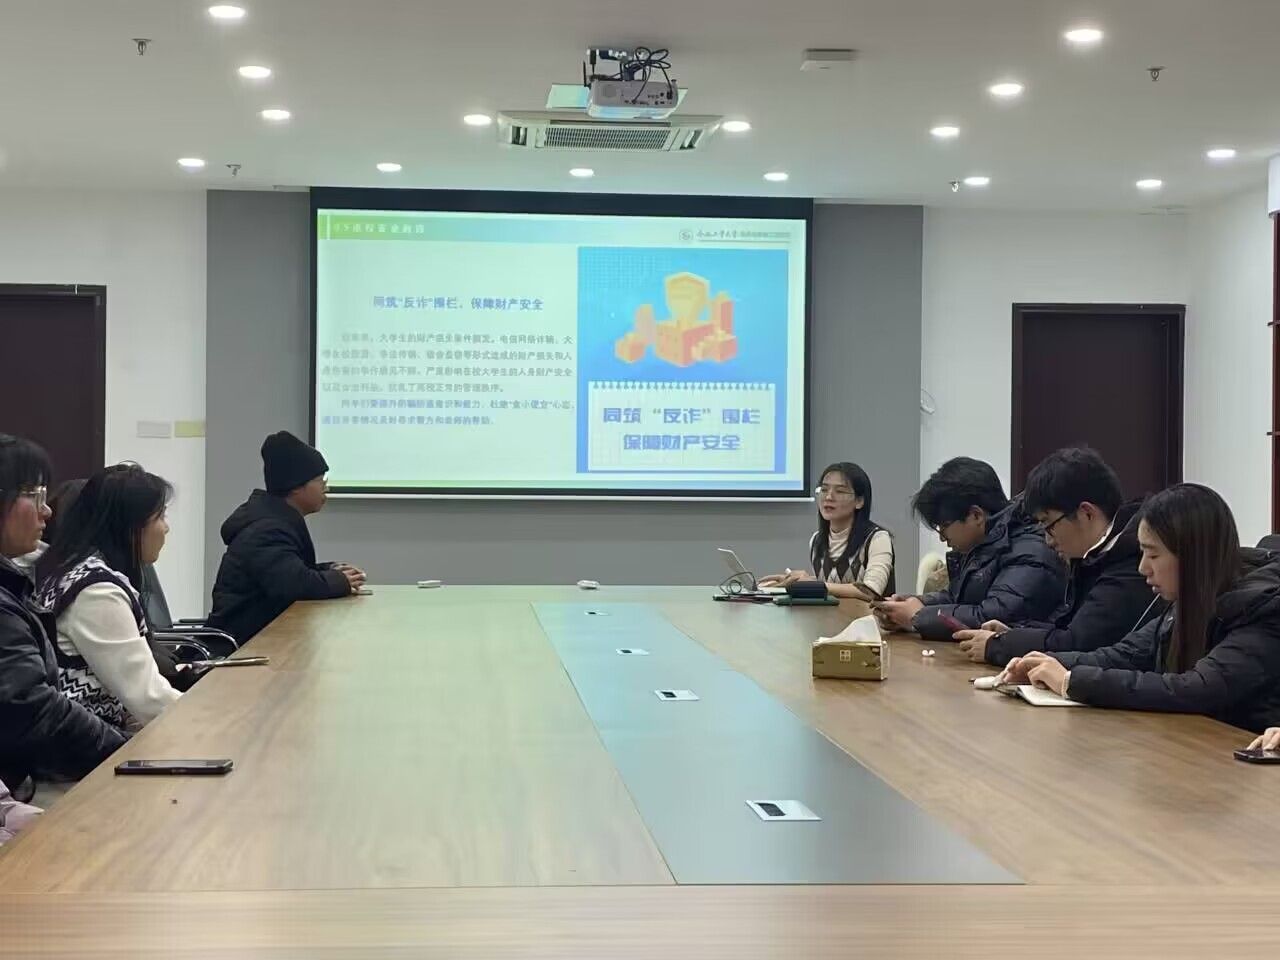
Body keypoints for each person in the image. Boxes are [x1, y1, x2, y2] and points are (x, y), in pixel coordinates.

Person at [1001, 484, 1280, 732]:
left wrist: (1072, 681)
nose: (1142, 568)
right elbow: (1123, 655)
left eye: (1153, 555)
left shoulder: (1261, 611)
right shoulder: (1182, 605)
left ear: (1193, 557)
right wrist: (1045, 663)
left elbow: (1197, 688)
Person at [0, 434, 126, 793]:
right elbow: (31, 708)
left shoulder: (14, 581)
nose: (47, 511)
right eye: (34, 494)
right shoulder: (93, 585)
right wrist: (124, 752)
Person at [955, 447, 1162, 666]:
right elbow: (1068, 629)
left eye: (1049, 525)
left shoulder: (1129, 563)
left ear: (1086, 513)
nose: (1048, 541)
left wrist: (999, 645)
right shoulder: (1096, 555)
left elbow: (1078, 643)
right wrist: (1011, 634)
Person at [34, 464, 181, 729]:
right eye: (160, 516)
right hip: (85, 744)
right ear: (131, 526)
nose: (166, 528)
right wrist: (214, 717)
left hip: (93, 731)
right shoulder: (96, 593)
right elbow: (149, 699)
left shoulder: (69, 568)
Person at [874, 457, 1065, 640]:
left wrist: (918, 616)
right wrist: (914, 604)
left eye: (944, 526)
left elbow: (992, 618)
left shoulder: (1031, 551)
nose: (942, 537)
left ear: (976, 515)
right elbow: (957, 598)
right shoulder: (983, 544)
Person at [207, 431, 366, 643]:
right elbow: (293, 585)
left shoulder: (275, 521)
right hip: (242, 645)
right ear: (296, 487)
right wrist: (338, 581)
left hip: (263, 638)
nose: (326, 488)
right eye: (320, 481)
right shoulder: (266, 530)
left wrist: (330, 570)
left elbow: (290, 571)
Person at [760, 462, 896, 598]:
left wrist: (813, 584)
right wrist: (794, 581)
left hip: (869, 612)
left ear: (859, 501)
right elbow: (832, 586)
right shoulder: (817, 540)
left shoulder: (877, 538)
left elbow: (870, 591)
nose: (829, 497)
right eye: (824, 490)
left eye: (840, 491)